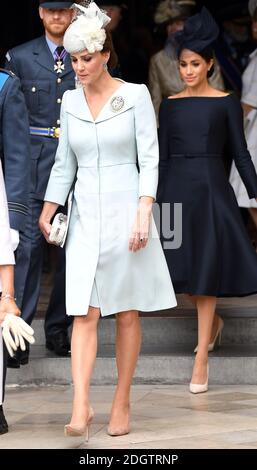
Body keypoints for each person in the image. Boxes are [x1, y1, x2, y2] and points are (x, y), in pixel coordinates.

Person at [39, 2, 176, 439]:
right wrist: (49, 207)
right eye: (74, 59)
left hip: (126, 210)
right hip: (84, 216)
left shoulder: (134, 95)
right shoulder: (68, 101)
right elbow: (64, 164)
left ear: (104, 55)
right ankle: (81, 404)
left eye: (86, 58)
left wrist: (144, 209)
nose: (79, 67)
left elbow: (149, 159)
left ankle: (121, 398)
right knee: (84, 311)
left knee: (127, 312)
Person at [157, 7, 257, 394]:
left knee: (207, 272)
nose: (187, 71)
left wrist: (254, 190)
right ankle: (213, 326)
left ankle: (201, 355)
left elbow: (242, 153)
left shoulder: (225, 102)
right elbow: (163, 160)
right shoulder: (170, 104)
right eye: (183, 64)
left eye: (195, 64)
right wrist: (156, 206)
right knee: (186, 276)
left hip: (214, 193)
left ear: (210, 64)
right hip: (177, 197)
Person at [5, 0, 75, 366]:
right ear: (39, 12)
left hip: (75, 164)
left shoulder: (86, 53)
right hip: (32, 164)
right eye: (51, 10)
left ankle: (60, 329)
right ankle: (18, 332)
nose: (57, 17)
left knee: (69, 249)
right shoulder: (19, 56)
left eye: (64, 10)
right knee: (27, 249)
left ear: (74, 14)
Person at [149, 0, 225, 120]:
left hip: (204, 120)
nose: (173, 29)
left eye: (178, 23)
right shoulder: (157, 60)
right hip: (173, 125)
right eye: (169, 24)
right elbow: (155, 103)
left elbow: (218, 93)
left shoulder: (204, 54)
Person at [230, 1, 257, 232]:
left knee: (250, 194)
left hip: (253, 133)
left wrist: (230, 128)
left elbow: (248, 104)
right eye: (254, 22)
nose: (255, 28)